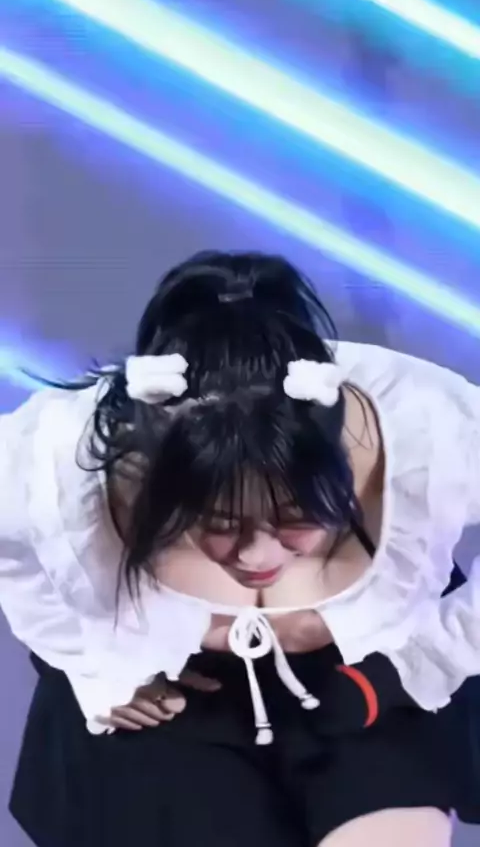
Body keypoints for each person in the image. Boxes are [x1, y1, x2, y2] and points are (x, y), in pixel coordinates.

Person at [1, 250, 480, 847]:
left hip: (363, 680)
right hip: (179, 699)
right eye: (220, 523)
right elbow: (12, 552)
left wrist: (427, 658)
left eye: (295, 519)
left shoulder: (425, 428)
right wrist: (94, 663)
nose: (258, 557)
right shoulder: (56, 460)